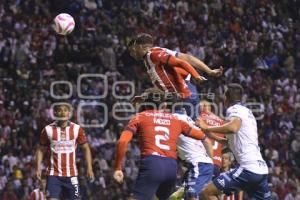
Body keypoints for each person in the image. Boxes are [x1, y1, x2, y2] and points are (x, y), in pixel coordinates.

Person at [113, 89, 221, 200]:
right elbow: (204, 138)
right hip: (171, 167)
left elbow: (122, 141)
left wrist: (117, 167)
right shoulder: (176, 120)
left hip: (152, 163)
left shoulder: (140, 116)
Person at [198, 83, 271, 200]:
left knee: (207, 192)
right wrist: (213, 136)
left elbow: (233, 128)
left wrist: (206, 128)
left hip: (248, 168)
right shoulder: (248, 112)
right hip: (261, 169)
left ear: (226, 97)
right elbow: (233, 142)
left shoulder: (234, 109)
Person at [128, 33, 223, 119]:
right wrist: (145, 95)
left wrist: (200, 74)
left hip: (182, 93)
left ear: (139, 46)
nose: (132, 54)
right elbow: (163, 83)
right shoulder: (150, 59)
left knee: (186, 130)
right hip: (180, 94)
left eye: (133, 50)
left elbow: (184, 60)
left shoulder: (154, 54)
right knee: (190, 129)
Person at [35, 103, 94, 200]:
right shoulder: (48, 130)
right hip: (53, 175)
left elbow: (86, 148)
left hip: (72, 175)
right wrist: (37, 167)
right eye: (59, 110)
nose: (62, 112)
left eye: (65, 110)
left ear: (69, 113)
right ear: (55, 113)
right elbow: (41, 150)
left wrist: (89, 167)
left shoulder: (77, 129)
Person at [199, 100, 225, 178]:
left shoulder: (200, 117)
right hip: (217, 162)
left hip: (204, 161)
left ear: (203, 107)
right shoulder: (221, 122)